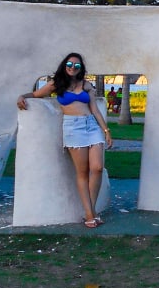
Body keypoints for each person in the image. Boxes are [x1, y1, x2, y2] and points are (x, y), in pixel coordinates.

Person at [16, 52, 112, 228]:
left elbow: (95, 110)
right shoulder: (56, 84)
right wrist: (22, 96)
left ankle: (91, 211)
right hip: (73, 128)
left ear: (81, 68)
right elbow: (36, 94)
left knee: (97, 168)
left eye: (77, 65)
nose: (72, 68)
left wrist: (106, 130)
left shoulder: (86, 85)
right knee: (82, 173)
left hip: (91, 126)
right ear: (64, 65)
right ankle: (90, 213)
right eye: (70, 64)